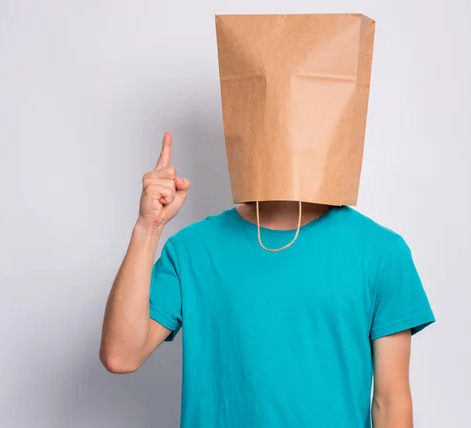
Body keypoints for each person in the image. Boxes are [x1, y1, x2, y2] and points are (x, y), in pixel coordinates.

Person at [100, 132, 435, 428]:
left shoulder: (381, 252)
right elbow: (121, 356)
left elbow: (390, 403)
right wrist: (149, 227)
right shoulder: (192, 249)